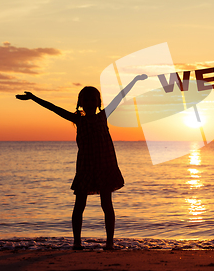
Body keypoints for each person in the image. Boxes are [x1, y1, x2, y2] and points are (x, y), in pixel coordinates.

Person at [16, 74, 147, 250]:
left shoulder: (103, 117)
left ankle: (109, 243)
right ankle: (77, 242)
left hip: (105, 166)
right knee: (80, 205)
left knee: (106, 204)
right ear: (81, 102)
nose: (91, 102)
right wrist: (33, 98)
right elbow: (53, 108)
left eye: (94, 99)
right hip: (86, 168)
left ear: (98, 102)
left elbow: (121, 96)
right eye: (87, 99)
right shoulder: (78, 120)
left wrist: (135, 80)